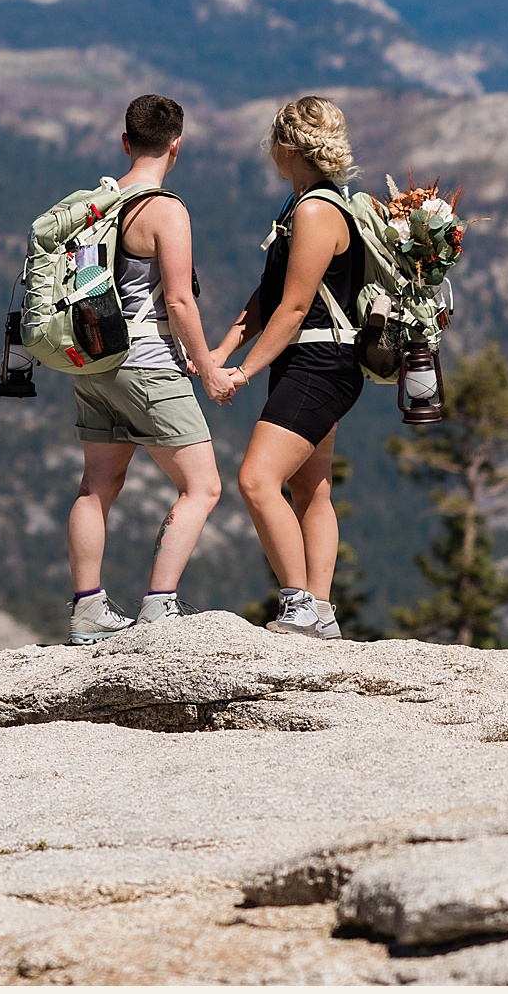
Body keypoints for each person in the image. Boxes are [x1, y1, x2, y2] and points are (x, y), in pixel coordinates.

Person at [65, 94, 225, 644]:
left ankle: (87, 611)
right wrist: (206, 369)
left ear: (125, 141)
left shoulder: (94, 204)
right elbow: (179, 302)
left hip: (92, 360)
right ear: (176, 145)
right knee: (202, 486)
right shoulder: (165, 210)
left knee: (97, 484)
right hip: (146, 363)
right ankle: (160, 604)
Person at [207, 95, 365, 640]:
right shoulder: (298, 207)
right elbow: (267, 294)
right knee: (311, 490)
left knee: (256, 478)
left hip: (320, 362)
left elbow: (294, 307)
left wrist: (243, 373)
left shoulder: (317, 212)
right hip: (314, 359)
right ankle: (321, 611)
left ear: (286, 145)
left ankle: (298, 603)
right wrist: (221, 350)